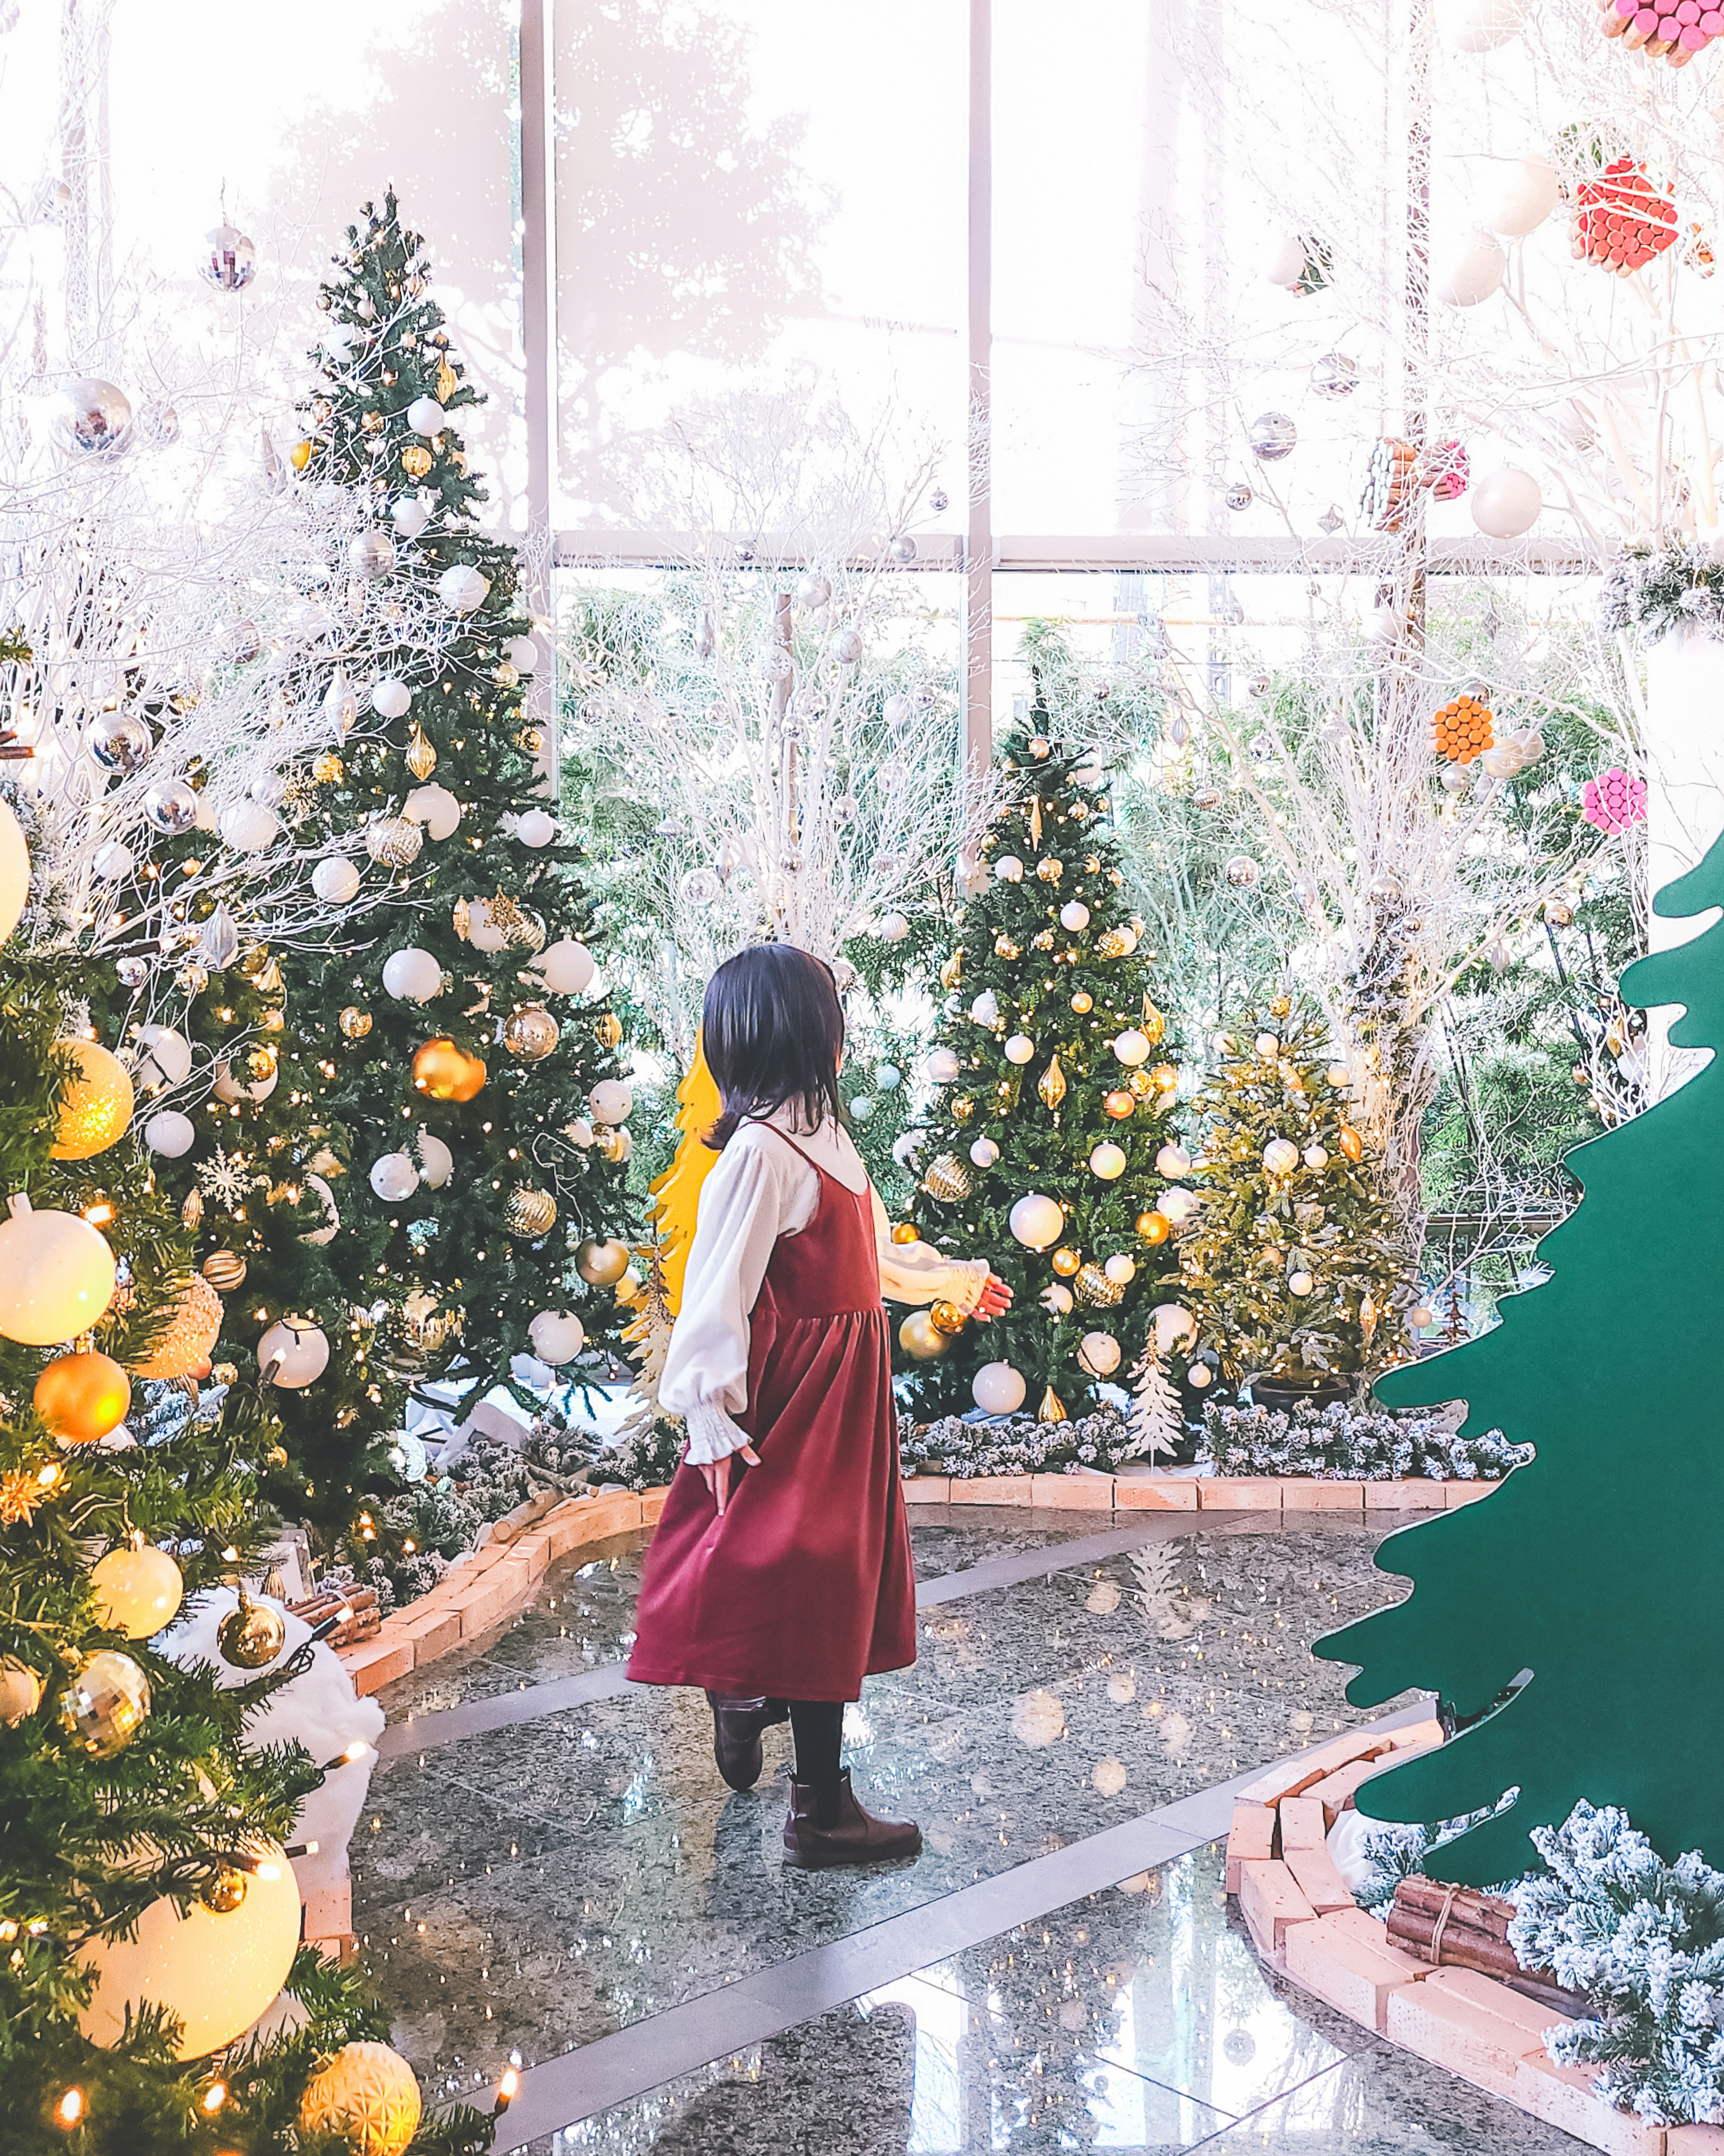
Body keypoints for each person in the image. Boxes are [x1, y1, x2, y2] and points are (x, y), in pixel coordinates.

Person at [628, 943, 1012, 1868]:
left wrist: (950, 1279)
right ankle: (815, 1802)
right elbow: (712, 1297)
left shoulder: (827, 1138)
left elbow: (870, 1254)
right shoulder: (757, 1155)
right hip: (793, 1395)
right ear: (805, 1034)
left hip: (848, 1387)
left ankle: (767, 1721)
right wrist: (709, 1415)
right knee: (800, 1573)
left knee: (829, 1579)